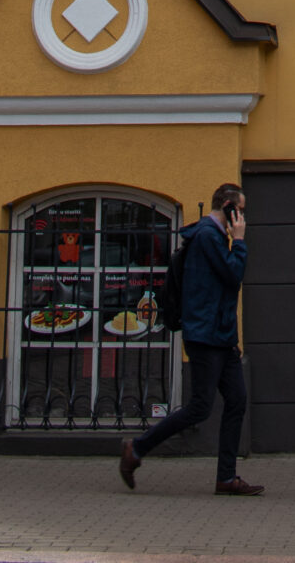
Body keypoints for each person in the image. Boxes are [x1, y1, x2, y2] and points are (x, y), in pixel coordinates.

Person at [119, 184, 262, 496]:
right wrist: (239, 242)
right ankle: (136, 449)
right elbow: (233, 275)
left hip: (221, 337)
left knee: (237, 400)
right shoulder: (209, 237)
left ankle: (226, 477)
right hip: (206, 336)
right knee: (199, 407)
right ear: (228, 206)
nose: (242, 217)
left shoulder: (209, 235)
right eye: (240, 209)